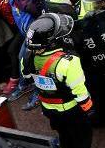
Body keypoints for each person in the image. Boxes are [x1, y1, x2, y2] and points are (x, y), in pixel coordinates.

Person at [25, 13, 95, 148]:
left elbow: (28, 78)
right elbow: (79, 90)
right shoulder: (69, 62)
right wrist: (88, 109)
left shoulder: (27, 57)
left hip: (47, 107)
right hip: (70, 110)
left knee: (64, 135)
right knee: (82, 138)